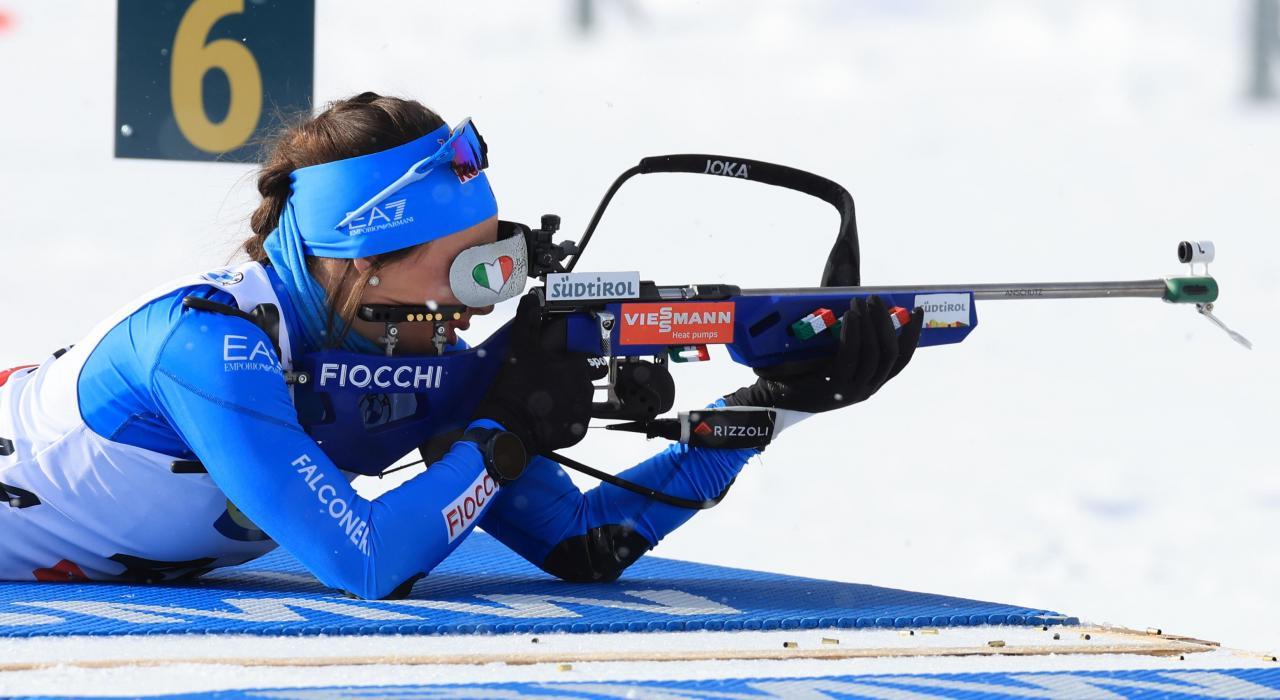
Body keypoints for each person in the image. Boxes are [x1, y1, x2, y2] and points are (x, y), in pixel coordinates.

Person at [0, 93, 923, 599]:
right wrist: (498, 433)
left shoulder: (406, 352)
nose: (485, 300)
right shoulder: (205, 347)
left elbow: (585, 545)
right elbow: (364, 562)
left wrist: (781, 399)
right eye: (466, 270)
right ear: (362, 261)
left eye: (500, 262)